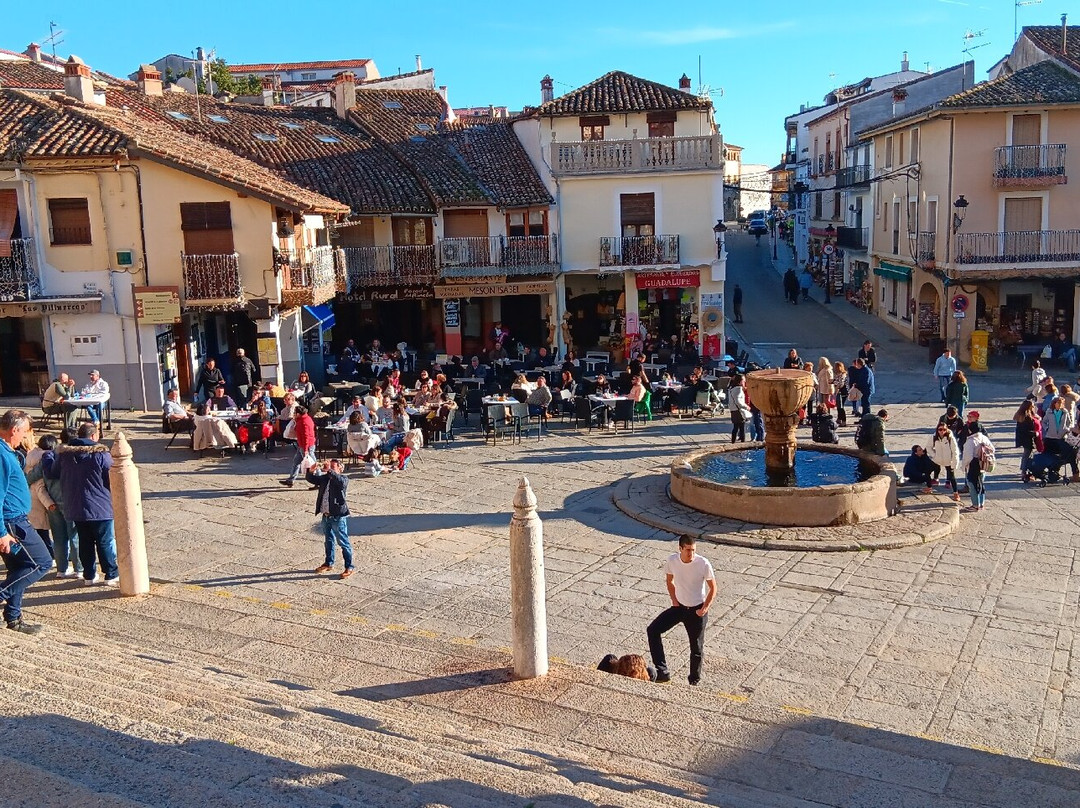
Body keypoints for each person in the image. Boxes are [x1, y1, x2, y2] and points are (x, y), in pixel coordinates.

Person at [0, 410, 52, 634]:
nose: (26, 435)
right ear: (14, 430)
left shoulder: (9, 451)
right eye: (24, 431)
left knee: (20, 568)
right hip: (13, 521)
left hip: (16, 518)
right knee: (41, 563)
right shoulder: (1, 454)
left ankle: (13, 617)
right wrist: (2, 531)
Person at [49, 422, 119, 587]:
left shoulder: (64, 455)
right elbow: (113, 476)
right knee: (105, 541)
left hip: (75, 505)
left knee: (85, 541)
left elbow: (53, 472)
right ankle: (110, 574)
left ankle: (89, 575)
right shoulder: (101, 455)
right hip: (100, 506)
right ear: (94, 436)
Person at [647, 535, 716, 686]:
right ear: (680, 549)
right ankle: (662, 671)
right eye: (688, 550)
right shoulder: (672, 560)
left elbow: (713, 588)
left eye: (693, 550)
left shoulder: (703, 563)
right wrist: (674, 599)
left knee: (696, 648)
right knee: (653, 630)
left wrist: (704, 609)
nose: (691, 553)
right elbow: (669, 580)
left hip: (697, 609)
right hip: (679, 608)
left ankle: (694, 680)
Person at [31, 432, 80, 578]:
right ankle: (79, 569)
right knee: (74, 536)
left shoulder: (48, 457)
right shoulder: (73, 457)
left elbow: (32, 476)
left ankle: (61, 569)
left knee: (59, 538)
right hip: (70, 501)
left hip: (52, 502)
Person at [306, 459, 354, 579]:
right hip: (326, 515)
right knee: (328, 541)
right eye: (330, 467)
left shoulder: (343, 479)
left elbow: (341, 483)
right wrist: (310, 471)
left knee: (343, 542)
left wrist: (330, 471)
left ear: (340, 469)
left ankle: (349, 566)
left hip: (338, 517)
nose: (330, 469)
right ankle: (329, 563)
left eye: (333, 467)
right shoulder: (325, 479)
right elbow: (312, 480)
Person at [1042, 396, 1079, 482]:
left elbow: (1070, 423)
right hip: (1050, 437)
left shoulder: (1065, 412)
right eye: (1058, 403)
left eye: (1062, 403)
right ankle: (1050, 472)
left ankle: (1073, 473)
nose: (1060, 405)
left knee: (1066, 454)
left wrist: (1066, 430)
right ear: (1054, 404)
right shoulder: (1049, 412)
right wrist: (1047, 428)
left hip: (1061, 437)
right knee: (1048, 455)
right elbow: (1044, 422)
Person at [961, 421, 994, 512]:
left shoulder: (970, 441)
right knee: (981, 484)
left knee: (972, 485)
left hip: (974, 465)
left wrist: (964, 467)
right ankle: (981, 503)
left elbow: (968, 457)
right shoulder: (984, 438)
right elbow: (992, 449)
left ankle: (975, 505)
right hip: (983, 464)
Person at [280, 405, 316, 488]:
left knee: (312, 464)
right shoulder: (305, 419)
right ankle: (291, 480)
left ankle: (319, 481)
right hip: (302, 445)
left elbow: (306, 436)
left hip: (305, 446)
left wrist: (306, 449)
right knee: (296, 462)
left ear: (299, 414)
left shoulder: (303, 422)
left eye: (295, 413)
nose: (294, 414)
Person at [926, 421, 962, 501]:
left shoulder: (950, 438)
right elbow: (928, 447)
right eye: (940, 429)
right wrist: (934, 455)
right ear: (937, 430)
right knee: (927, 472)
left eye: (944, 429)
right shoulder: (933, 437)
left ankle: (956, 493)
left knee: (952, 477)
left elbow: (955, 451)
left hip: (948, 460)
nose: (942, 431)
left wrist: (954, 463)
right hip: (937, 459)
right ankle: (929, 487)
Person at [1014, 399, 1042, 483]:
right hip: (1027, 438)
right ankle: (1024, 472)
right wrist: (1035, 433)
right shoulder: (1026, 417)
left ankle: (1023, 469)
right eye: (1032, 405)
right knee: (1027, 455)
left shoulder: (1023, 415)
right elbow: (1026, 430)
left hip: (1024, 438)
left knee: (1026, 454)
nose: (1033, 406)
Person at [727, 373, 750, 443]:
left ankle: (733, 442)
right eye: (743, 380)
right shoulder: (739, 389)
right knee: (742, 428)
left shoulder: (731, 388)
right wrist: (746, 407)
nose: (744, 381)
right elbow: (739, 402)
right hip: (738, 411)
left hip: (733, 410)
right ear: (740, 381)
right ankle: (742, 444)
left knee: (735, 427)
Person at [832, 361, 849, 427]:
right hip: (839, 392)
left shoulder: (842, 374)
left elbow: (841, 384)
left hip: (842, 392)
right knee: (839, 406)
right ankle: (839, 418)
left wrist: (835, 384)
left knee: (841, 407)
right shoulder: (838, 374)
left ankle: (844, 421)